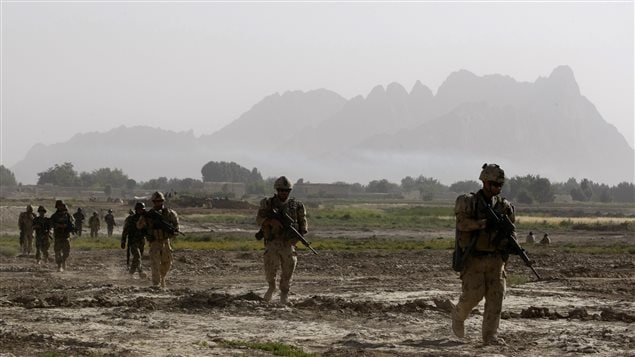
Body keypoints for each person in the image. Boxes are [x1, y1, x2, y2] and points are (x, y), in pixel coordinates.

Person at [452, 163, 515, 346]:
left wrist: (511, 245)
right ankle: (458, 315)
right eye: (494, 184)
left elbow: (512, 231)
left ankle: (490, 335)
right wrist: (482, 224)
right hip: (474, 258)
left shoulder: (505, 207)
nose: (497, 188)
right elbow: (461, 224)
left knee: (496, 297)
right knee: (473, 296)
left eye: (500, 185)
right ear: (485, 182)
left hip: (495, 259)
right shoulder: (468, 202)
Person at [256, 176, 308, 304]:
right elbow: (258, 219)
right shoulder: (268, 203)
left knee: (289, 267)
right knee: (269, 267)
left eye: (286, 191)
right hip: (272, 241)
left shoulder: (297, 206)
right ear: (277, 190)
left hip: (288, 243)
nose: (283, 193)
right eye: (281, 190)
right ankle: (271, 287)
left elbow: (303, 225)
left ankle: (284, 292)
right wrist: (270, 221)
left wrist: (297, 239)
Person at [137, 192, 179, 289]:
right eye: (156, 201)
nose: (158, 203)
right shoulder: (149, 214)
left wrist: (172, 231)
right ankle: (156, 284)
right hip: (154, 241)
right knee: (155, 263)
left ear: (163, 201)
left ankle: (162, 278)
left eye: (160, 201)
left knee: (167, 263)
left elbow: (176, 227)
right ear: (153, 202)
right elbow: (139, 226)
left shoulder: (170, 213)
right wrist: (144, 218)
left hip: (165, 241)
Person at [121, 202, 148, 278]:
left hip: (141, 241)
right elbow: (125, 230)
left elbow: (148, 230)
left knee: (138, 258)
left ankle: (139, 272)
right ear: (136, 210)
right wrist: (123, 241)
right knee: (137, 256)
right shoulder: (130, 219)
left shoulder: (144, 219)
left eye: (142, 209)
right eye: (139, 209)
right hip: (133, 241)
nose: (140, 211)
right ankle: (132, 273)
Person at [50, 200, 75, 272]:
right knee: (57, 251)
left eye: (61, 205)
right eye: (59, 206)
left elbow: (72, 224)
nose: (60, 207)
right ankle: (59, 265)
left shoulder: (68, 215)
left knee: (66, 252)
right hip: (58, 236)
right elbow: (51, 225)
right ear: (57, 207)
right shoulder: (54, 216)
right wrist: (57, 226)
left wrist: (68, 226)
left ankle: (64, 261)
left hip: (66, 236)